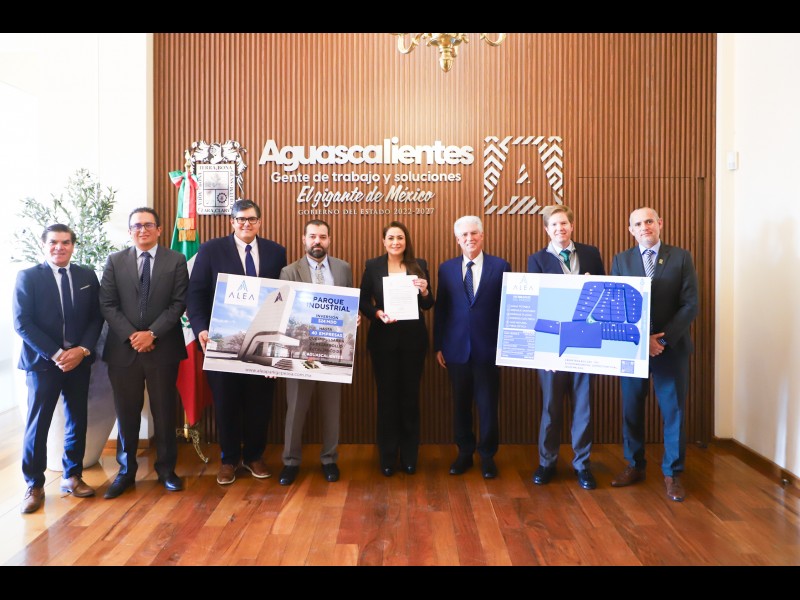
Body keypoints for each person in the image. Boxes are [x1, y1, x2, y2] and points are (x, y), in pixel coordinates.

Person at [186, 199, 287, 485]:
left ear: (260, 222)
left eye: (251, 219)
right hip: (222, 342)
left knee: (259, 402)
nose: (246, 224)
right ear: (232, 221)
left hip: (263, 343)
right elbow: (195, 294)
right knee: (226, 402)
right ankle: (229, 460)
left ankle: (254, 456)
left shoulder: (276, 252)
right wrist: (201, 328)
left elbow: (283, 295)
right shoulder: (211, 250)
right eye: (240, 219)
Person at [13, 224, 104, 513]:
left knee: (77, 418)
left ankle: (72, 476)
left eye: (66, 242)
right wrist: (56, 354)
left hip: (79, 361)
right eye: (54, 242)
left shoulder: (87, 276)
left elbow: (96, 318)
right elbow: (22, 322)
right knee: (38, 424)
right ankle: (34, 484)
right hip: (43, 364)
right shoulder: (28, 277)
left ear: (73, 246)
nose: (59, 247)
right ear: (44, 245)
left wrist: (82, 350)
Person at [610, 207, 698, 502]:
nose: (644, 227)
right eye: (638, 223)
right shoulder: (621, 260)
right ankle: (635, 465)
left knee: (673, 412)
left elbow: (690, 304)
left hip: (670, 349)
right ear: (631, 230)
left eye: (649, 221)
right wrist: (641, 341)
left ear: (660, 223)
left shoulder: (681, 257)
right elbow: (617, 306)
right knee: (631, 409)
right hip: (633, 349)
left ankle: (672, 473)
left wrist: (663, 339)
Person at [100, 207, 189, 498]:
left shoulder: (176, 260)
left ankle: (167, 470)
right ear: (130, 231)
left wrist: (152, 333)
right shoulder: (115, 261)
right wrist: (133, 336)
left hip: (163, 348)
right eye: (137, 226)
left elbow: (178, 303)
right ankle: (126, 472)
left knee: (164, 412)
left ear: (159, 230)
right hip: (123, 350)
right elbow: (107, 304)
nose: (143, 230)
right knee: (127, 414)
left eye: (148, 225)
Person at [527, 205, 605, 490]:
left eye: (564, 223)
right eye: (554, 225)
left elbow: (604, 294)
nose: (559, 228)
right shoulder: (536, 260)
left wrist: (594, 285)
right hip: (552, 344)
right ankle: (546, 462)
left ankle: (582, 465)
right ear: (546, 229)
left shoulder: (591, 254)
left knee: (583, 407)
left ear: (572, 226)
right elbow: (536, 303)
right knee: (551, 408)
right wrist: (543, 350)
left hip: (585, 341)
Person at [434, 215, 510, 479]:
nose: (469, 238)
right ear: (457, 239)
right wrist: (438, 346)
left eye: (474, 233)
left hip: (489, 350)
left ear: (482, 235)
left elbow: (508, 308)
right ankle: (464, 453)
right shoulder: (446, 269)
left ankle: (487, 456)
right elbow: (441, 309)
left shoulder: (501, 266)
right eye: (464, 235)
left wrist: (506, 345)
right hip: (455, 350)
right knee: (461, 405)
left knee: (488, 406)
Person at [277, 219, 353, 486]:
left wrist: (352, 318)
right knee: (296, 408)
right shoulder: (289, 271)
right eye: (312, 236)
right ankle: (290, 461)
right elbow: (284, 312)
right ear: (304, 239)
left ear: (329, 239)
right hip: (300, 351)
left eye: (322, 236)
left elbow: (348, 305)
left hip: (334, 350)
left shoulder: (343, 268)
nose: (317, 241)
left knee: (332, 409)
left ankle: (329, 459)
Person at [360, 221, 434, 476]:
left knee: (410, 398)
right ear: (384, 241)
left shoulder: (419, 265)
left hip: (413, 342)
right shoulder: (373, 266)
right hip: (383, 342)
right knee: (387, 399)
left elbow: (428, 304)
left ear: (406, 240)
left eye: (400, 237)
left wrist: (425, 291)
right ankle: (388, 457)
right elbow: (363, 300)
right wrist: (377, 313)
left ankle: (410, 456)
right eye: (391, 238)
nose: (395, 242)